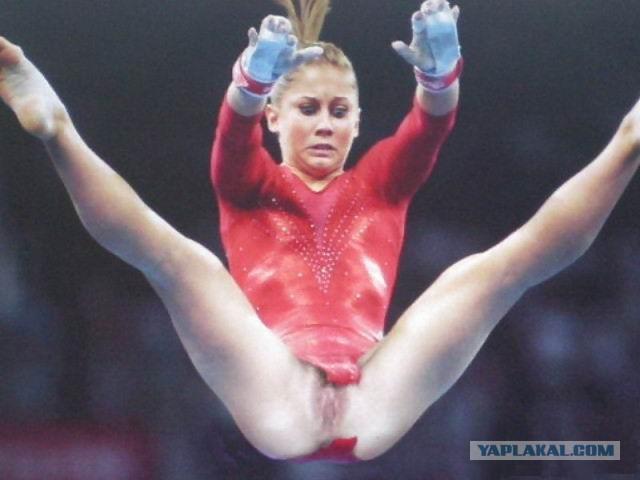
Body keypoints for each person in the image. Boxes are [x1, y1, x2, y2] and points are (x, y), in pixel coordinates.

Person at [0, 0, 638, 464]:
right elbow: (232, 136)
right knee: (181, 261)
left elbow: (429, 129)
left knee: (492, 271)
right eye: (307, 109)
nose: (326, 124)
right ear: (276, 117)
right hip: (277, 392)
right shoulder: (249, 184)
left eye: (339, 111)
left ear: (359, 122)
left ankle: (630, 142)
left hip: (375, 394)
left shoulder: (380, 183)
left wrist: (440, 75)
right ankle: (58, 130)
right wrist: (249, 83)